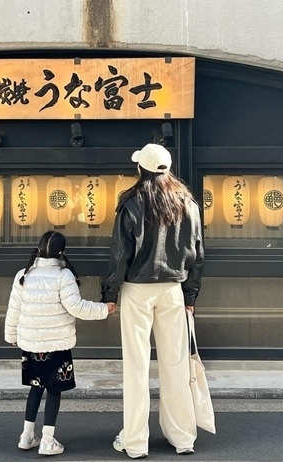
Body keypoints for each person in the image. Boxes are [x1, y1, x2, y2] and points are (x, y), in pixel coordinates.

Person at [101, 143, 204, 458]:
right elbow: (197, 253)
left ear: (140, 169)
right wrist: (190, 295)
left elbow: (121, 255)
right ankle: (183, 437)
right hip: (173, 289)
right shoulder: (187, 203)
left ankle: (135, 443)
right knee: (175, 365)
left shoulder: (131, 203)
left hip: (137, 289)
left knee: (136, 367)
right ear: (168, 169)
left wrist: (110, 293)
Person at [5, 230, 115, 456]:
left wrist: (11, 335)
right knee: (54, 391)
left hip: (31, 344)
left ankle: (26, 436)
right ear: (61, 253)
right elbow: (77, 308)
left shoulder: (23, 275)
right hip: (56, 346)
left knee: (36, 388)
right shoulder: (63, 276)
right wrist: (104, 309)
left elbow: (13, 308)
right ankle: (47, 440)